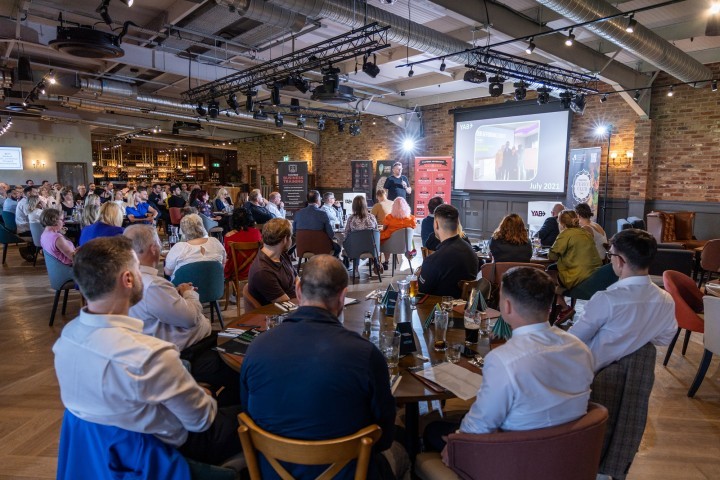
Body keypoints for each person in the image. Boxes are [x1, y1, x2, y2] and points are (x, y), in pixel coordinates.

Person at [52, 236, 241, 466]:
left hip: (99, 454)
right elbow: (201, 421)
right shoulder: (150, 355)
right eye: (138, 268)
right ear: (128, 278)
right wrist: (204, 395)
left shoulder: (67, 338)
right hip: (162, 452)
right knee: (256, 411)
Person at [240, 255, 402, 479]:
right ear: (343, 296)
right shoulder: (365, 355)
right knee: (402, 453)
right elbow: (384, 438)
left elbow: (248, 412)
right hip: (348, 473)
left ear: (298, 289)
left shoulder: (257, 348)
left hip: (272, 472)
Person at [424, 267, 594, 452]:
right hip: (568, 451)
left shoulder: (504, 360)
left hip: (514, 456)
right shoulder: (580, 348)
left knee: (432, 429)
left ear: (507, 306)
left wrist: (456, 445)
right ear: (549, 304)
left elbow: (478, 428)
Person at [569, 229, 677, 372]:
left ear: (619, 260)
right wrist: (635, 338)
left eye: (610, 255)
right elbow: (665, 338)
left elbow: (574, 339)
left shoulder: (607, 299)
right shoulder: (666, 299)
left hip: (588, 372)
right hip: (633, 374)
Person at [125, 225, 211, 351]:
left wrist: (174, 294)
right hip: (188, 350)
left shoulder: (126, 277)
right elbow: (191, 318)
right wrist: (188, 293)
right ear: (154, 248)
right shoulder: (153, 285)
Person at [418, 204, 477, 298]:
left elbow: (422, 290)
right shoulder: (471, 251)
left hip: (439, 309)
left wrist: (420, 274)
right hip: (465, 309)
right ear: (457, 223)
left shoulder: (433, 260)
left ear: (436, 224)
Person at [549, 210, 602, 291]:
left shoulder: (565, 234)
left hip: (576, 277)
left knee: (547, 275)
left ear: (562, 224)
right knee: (554, 269)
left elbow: (552, 256)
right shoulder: (585, 232)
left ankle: (556, 300)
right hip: (594, 275)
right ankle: (562, 302)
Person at [247, 218, 296, 305]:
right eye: (291, 237)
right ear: (285, 239)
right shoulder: (263, 271)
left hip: (296, 302)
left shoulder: (282, 254)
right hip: (281, 313)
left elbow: (296, 279)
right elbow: (286, 304)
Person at [164, 214, 226, 281]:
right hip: (213, 288)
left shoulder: (179, 247)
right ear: (202, 226)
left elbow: (168, 272)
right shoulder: (215, 242)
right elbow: (223, 264)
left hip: (185, 290)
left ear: (183, 230)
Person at [293, 190, 340, 256]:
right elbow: (331, 234)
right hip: (320, 248)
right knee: (338, 248)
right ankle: (329, 265)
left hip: (303, 247)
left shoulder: (298, 213)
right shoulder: (322, 214)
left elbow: (294, 231)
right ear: (318, 200)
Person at [223, 207, 262, 280]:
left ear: (233, 220)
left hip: (235, 271)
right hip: (254, 270)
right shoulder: (257, 233)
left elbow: (228, 255)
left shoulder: (228, 236)